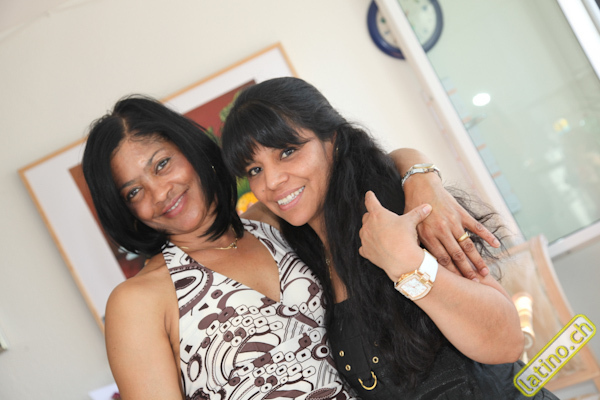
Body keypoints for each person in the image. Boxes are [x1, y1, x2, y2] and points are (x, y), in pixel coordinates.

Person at [82, 95, 487, 399]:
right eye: (134, 191)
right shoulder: (138, 301)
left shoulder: (277, 221)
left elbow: (353, 165)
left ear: (190, 150)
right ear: (125, 210)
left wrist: (420, 176)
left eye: (162, 164)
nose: (159, 193)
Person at [221, 77, 559, 399]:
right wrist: (417, 167)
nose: (272, 181)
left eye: (287, 151)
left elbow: (506, 343)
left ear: (333, 139)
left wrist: (410, 265)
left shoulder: (402, 213)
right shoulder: (298, 252)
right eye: (254, 170)